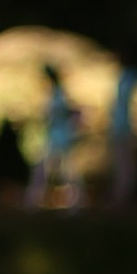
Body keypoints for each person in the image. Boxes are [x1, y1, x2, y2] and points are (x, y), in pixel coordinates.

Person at [26, 56, 82, 209]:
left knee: (65, 172)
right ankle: (35, 199)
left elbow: (64, 113)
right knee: (53, 171)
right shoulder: (55, 94)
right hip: (55, 137)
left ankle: (75, 201)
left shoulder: (59, 95)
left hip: (59, 138)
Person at [106, 57, 137, 209]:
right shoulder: (121, 77)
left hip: (127, 126)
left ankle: (127, 192)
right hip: (119, 126)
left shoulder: (132, 77)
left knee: (127, 161)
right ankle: (121, 191)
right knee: (120, 161)